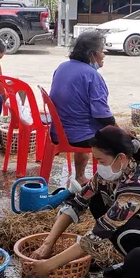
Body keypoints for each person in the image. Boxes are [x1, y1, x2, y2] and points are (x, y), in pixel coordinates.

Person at [26, 126, 140, 278]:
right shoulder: (107, 175)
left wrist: (49, 265)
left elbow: (98, 234)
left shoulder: (137, 183)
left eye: (101, 160)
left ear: (120, 158)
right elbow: (76, 203)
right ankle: (133, 263)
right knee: (97, 201)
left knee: (125, 231)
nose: (98, 166)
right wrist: (47, 244)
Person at [48, 31, 115, 185]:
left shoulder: (62, 67)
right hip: (79, 137)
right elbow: (102, 116)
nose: (104, 55)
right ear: (92, 55)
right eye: (101, 51)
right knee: (120, 141)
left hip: (58, 132)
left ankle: (80, 177)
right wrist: (120, 131)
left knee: (85, 122)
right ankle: (107, 182)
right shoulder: (92, 76)